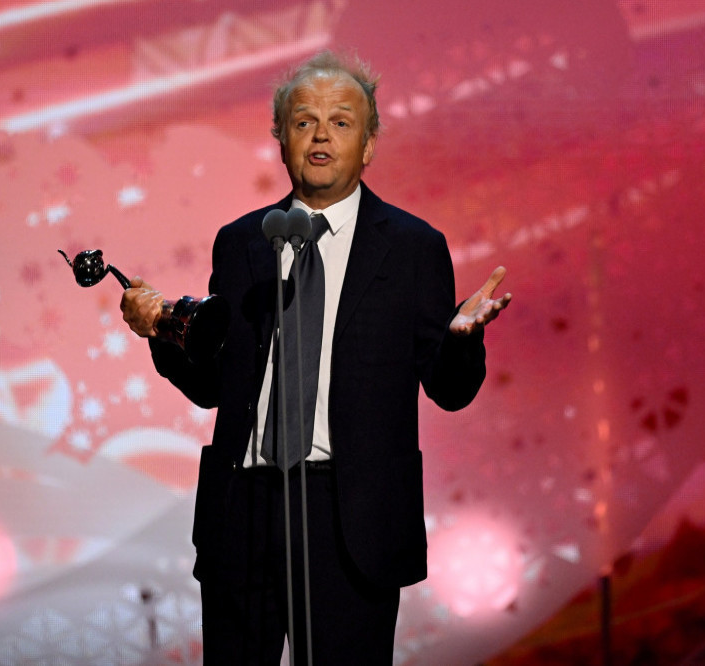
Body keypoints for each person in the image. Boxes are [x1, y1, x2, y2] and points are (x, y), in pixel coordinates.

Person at [120, 51, 510, 666]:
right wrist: (161, 334)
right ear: (281, 140)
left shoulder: (413, 248)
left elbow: (450, 389)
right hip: (244, 510)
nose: (321, 134)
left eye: (341, 121)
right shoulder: (242, 241)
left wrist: (462, 339)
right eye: (304, 122)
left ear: (369, 143)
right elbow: (216, 385)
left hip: (350, 517)